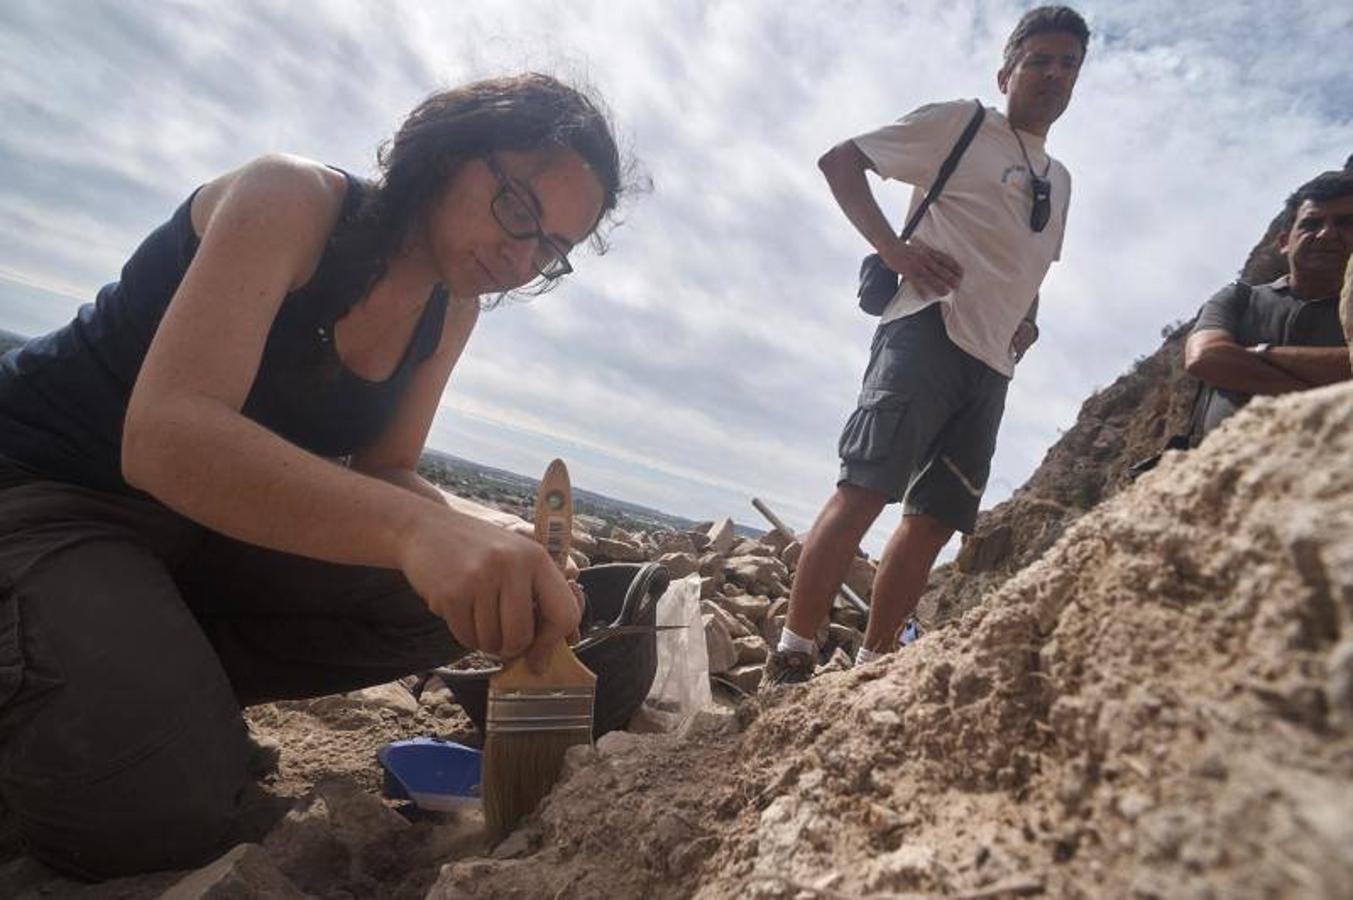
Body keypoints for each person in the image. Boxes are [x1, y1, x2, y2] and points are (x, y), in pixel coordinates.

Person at [0, 73, 629, 878]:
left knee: (461, 597)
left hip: (196, 536)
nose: (520, 256)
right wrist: (420, 531)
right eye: (518, 210)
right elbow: (164, 438)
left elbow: (387, 470)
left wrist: (487, 532)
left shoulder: (450, 308)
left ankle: (145, 674)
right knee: (168, 815)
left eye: (550, 250)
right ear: (448, 152)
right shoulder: (291, 201)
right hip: (47, 495)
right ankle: (118, 686)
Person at [764, 6, 1089, 686]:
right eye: (1039, 60)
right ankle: (791, 655)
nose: (1054, 74)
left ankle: (870, 666)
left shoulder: (1059, 180)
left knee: (934, 518)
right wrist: (895, 250)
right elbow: (841, 161)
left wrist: (1029, 320)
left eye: (1068, 64)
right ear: (1005, 72)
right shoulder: (961, 123)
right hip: (926, 329)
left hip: (992, 364)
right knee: (865, 489)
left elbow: (1031, 264)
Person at [1184, 171, 1353, 438]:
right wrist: (1319, 402)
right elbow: (1205, 357)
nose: (1326, 234)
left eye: (1345, 223)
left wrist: (1258, 355)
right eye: (1311, 224)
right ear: (1285, 242)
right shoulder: (1238, 299)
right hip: (1219, 461)